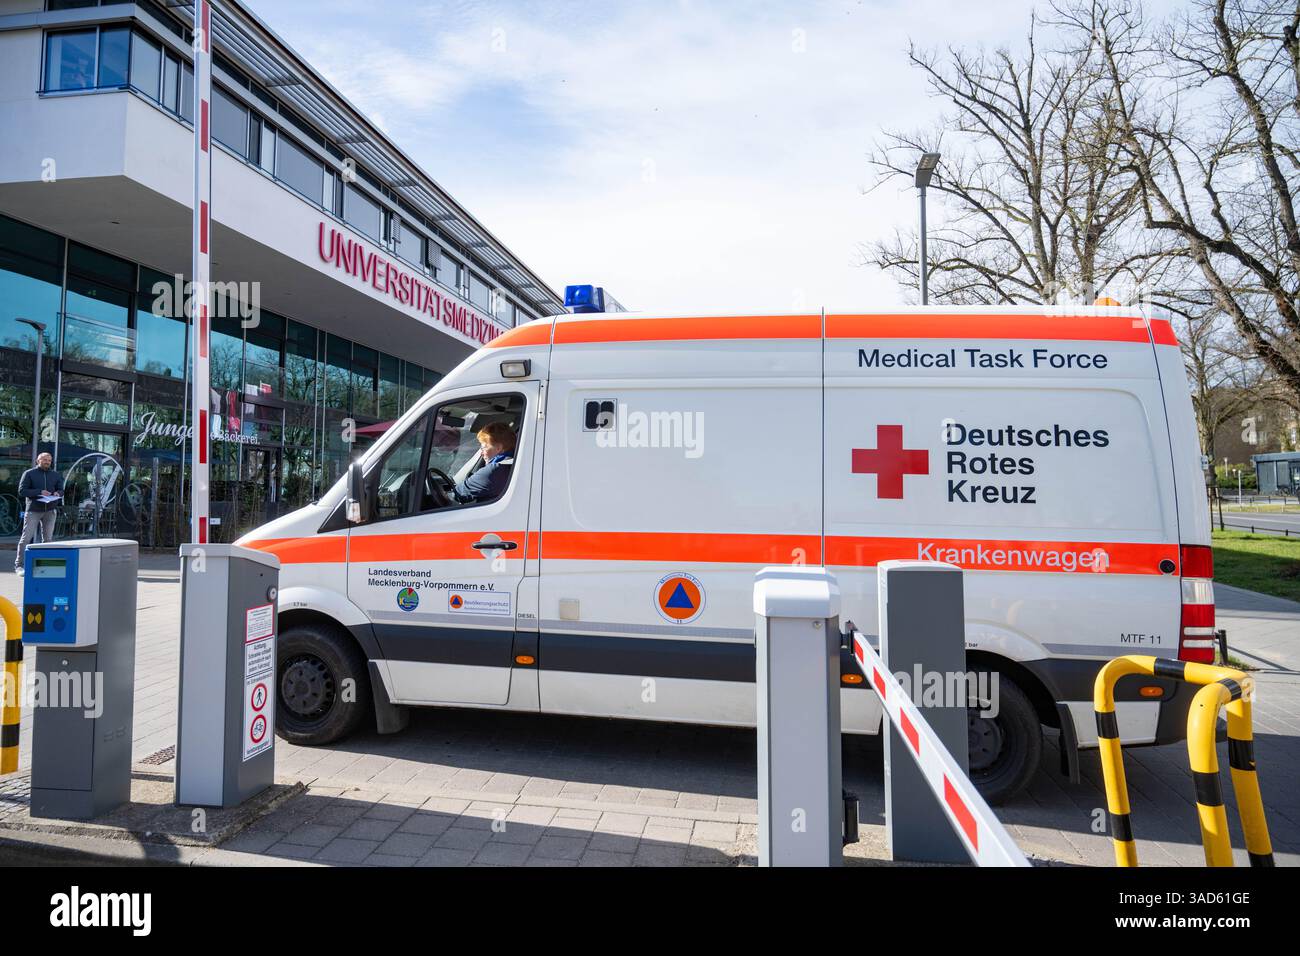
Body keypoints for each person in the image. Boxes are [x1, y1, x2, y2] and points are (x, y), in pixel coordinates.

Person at [15, 452, 63, 575]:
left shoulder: (55, 475)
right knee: (26, 538)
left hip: (50, 510)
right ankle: (19, 566)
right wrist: (39, 492)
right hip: (33, 510)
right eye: (45, 459)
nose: (47, 462)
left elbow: (61, 489)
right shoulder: (29, 474)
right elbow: (22, 491)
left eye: (49, 460)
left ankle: (44, 566)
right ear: (38, 460)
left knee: (48, 540)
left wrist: (58, 493)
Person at [453, 423, 516, 503]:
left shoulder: (493, 471)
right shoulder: (515, 463)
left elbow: (458, 495)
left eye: (484, 447)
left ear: (499, 448)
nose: (482, 453)